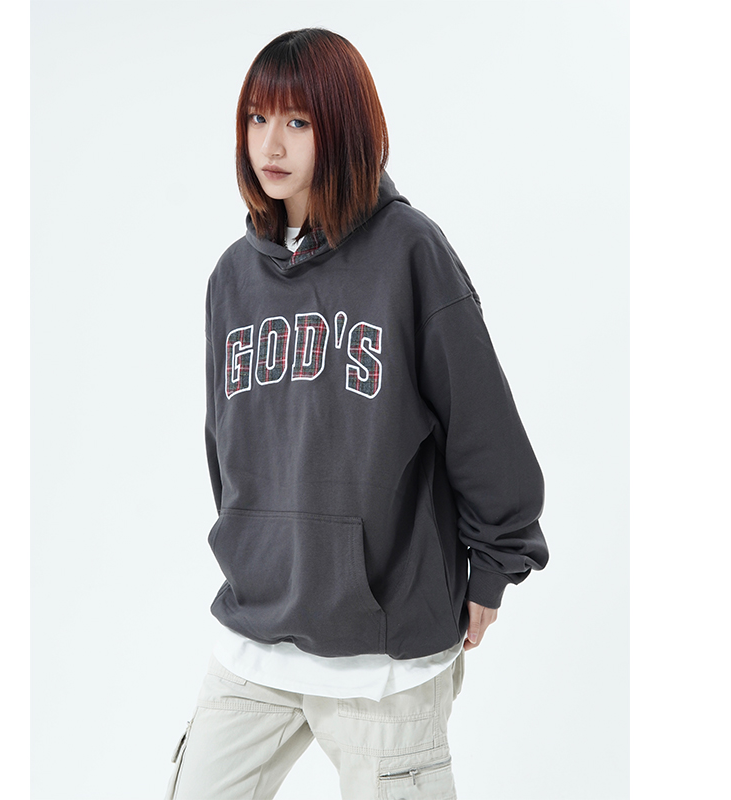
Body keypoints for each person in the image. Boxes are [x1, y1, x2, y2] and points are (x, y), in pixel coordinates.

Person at [163, 27, 548, 800]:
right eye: (257, 118)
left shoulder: (410, 252)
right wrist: (260, 548)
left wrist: (494, 567)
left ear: (342, 126)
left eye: (297, 121)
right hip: (257, 636)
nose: (271, 144)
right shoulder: (232, 277)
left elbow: (484, 426)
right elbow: (226, 447)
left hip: (385, 658)